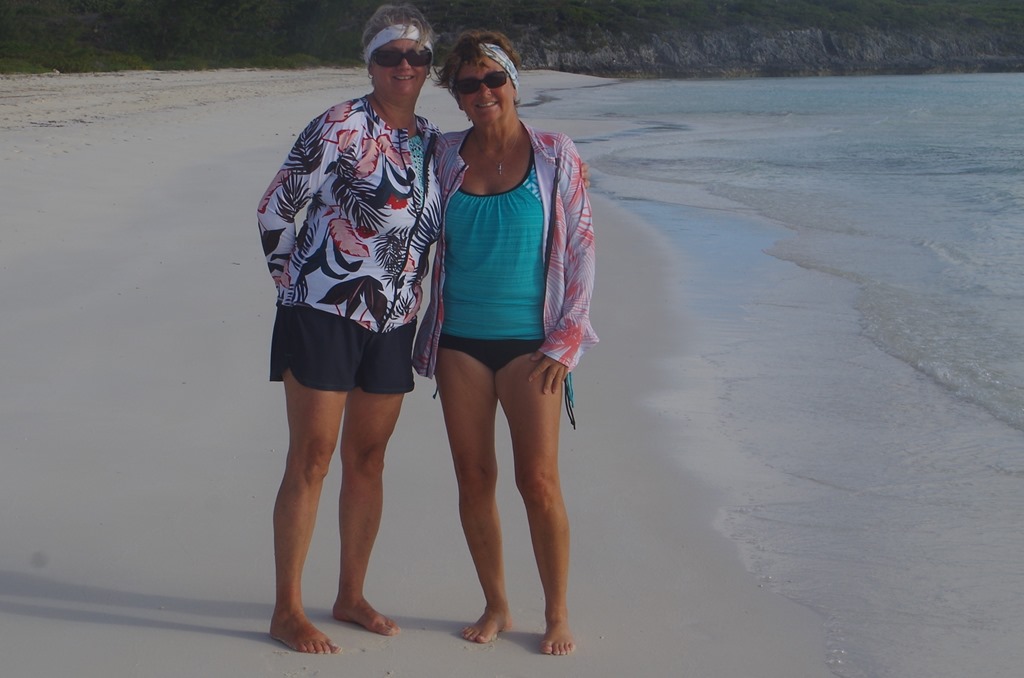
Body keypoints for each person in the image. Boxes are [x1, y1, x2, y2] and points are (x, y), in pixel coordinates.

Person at [256, 4, 442, 655]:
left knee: (368, 459)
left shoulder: (433, 141)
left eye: (416, 56)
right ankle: (287, 610)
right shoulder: (341, 125)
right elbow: (276, 207)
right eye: (391, 55)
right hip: (323, 313)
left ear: (429, 66)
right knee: (311, 457)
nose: (404, 66)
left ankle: (351, 595)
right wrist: (293, 286)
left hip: (393, 322)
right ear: (370, 63)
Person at [413, 30, 598, 656]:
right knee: (474, 479)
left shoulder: (554, 153)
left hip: (533, 345)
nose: (483, 91)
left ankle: (557, 613)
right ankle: (495, 603)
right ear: (457, 96)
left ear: (514, 85)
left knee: (538, 482)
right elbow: (388, 189)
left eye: (494, 79)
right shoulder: (440, 154)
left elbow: (581, 249)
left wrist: (567, 340)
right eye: (468, 84)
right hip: (459, 341)